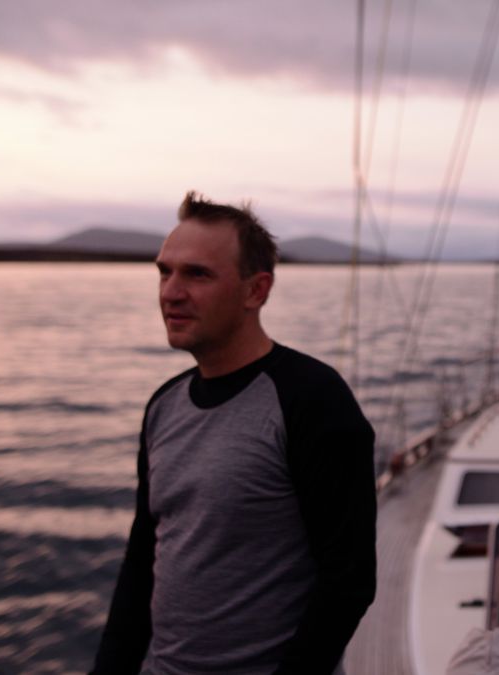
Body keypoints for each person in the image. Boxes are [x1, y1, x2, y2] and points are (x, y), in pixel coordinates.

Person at [93, 192, 377, 674]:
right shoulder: (164, 405)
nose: (171, 292)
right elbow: (144, 559)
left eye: (197, 274)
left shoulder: (311, 399)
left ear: (256, 291)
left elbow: (347, 581)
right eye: (165, 272)